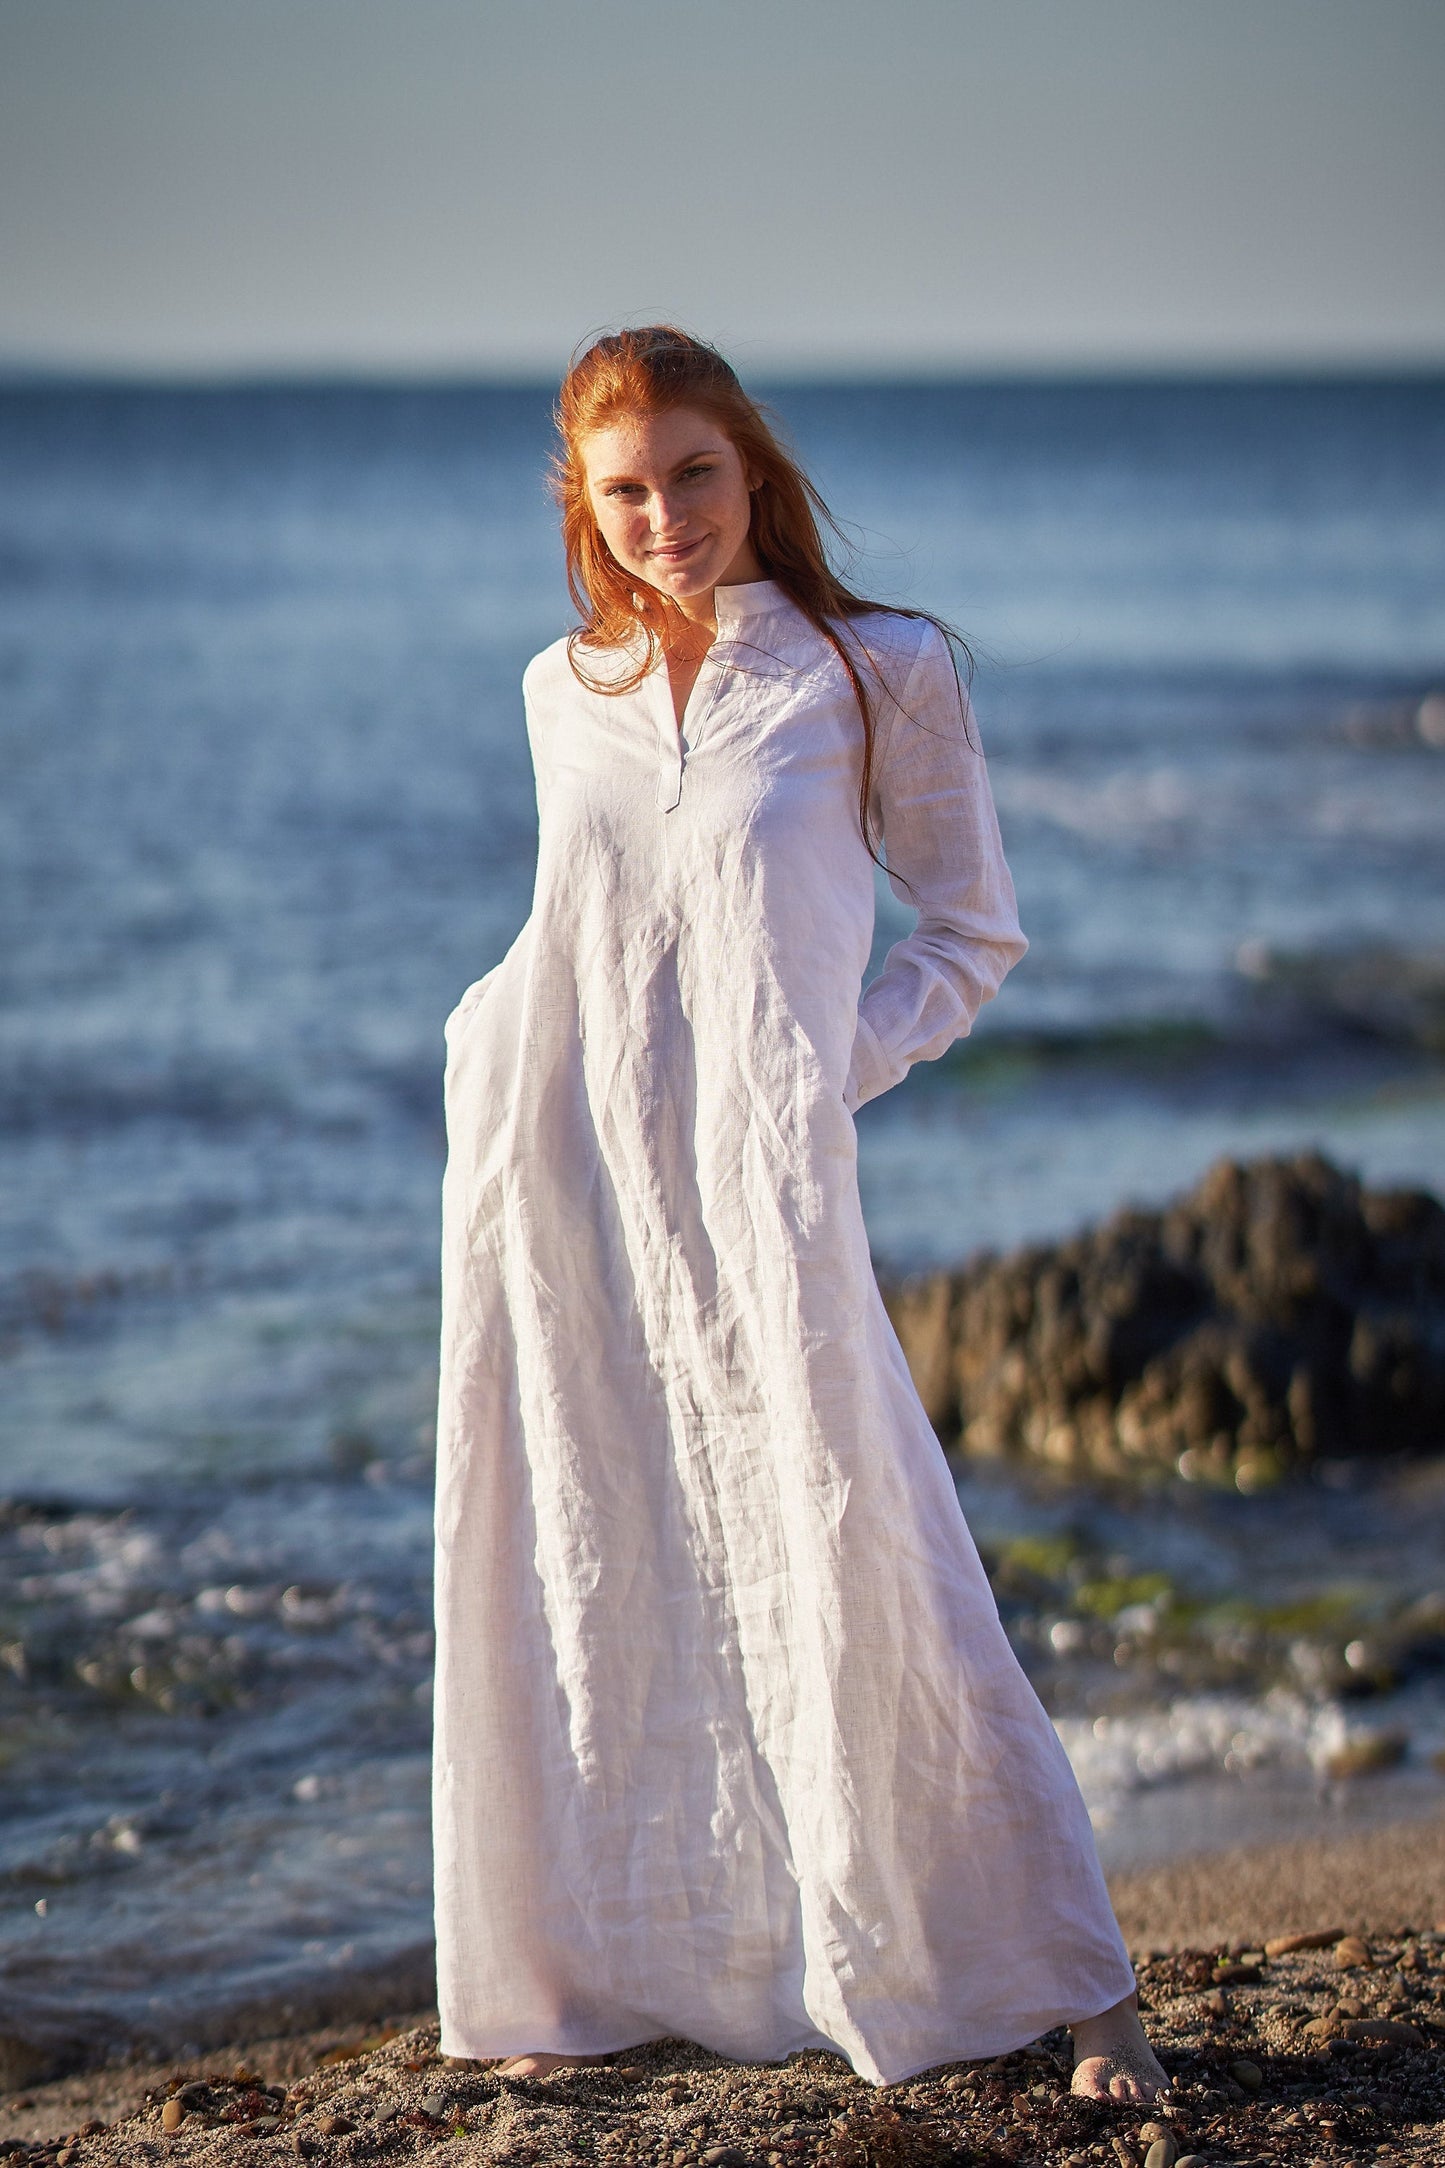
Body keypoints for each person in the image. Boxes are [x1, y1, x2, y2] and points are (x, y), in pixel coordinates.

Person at [432, 326, 1168, 2102]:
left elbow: (969, 931)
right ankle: (600, 1973)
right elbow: (585, 933)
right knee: (599, 1543)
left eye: (693, 472)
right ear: (584, 514)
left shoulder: (875, 670)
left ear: (750, 468)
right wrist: (495, 1053)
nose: (665, 517)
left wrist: (815, 1081)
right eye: (625, 492)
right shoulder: (562, 691)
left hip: (770, 1190)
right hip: (573, 1188)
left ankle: (1082, 1990)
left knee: (865, 1531)